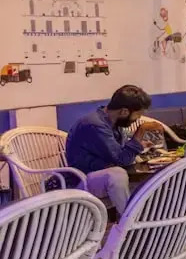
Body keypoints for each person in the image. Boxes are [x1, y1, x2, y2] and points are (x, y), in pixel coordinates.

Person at [65, 85, 161, 214]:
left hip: (97, 177)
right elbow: (121, 159)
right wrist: (140, 131)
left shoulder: (114, 123)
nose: (138, 119)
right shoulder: (95, 124)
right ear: (124, 112)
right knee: (116, 175)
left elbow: (120, 153)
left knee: (148, 180)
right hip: (79, 181)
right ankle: (129, 221)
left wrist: (141, 146)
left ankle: (149, 218)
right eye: (138, 114)